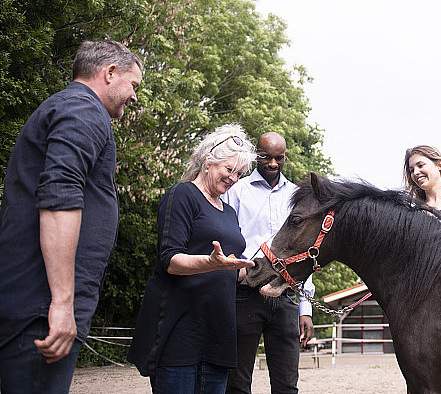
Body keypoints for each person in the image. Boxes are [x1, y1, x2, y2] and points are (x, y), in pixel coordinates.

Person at [0, 40, 143, 394]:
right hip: (41, 310)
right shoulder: (84, 110)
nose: (135, 97)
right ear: (109, 73)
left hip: (36, 303)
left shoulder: (69, 108)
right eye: (134, 85)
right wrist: (62, 304)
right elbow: (59, 197)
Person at [127, 125, 257, 394]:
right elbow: (171, 260)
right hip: (181, 331)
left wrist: (262, 271)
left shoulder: (230, 212)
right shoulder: (182, 195)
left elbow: (234, 266)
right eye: (229, 170)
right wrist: (212, 264)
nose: (234, 178)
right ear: (209, 160)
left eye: (239, 174)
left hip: (218, 333)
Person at [223, 132, 315, 394]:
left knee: (287, 384)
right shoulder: (237, 191)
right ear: (255, 155)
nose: (272, 164)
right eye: (265, 157)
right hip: (245, 294)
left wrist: (305, 307)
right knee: (237, 383)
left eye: (279, 158)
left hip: (285, 296)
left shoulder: (297, 196)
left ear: (285, 157)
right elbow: (227, 242)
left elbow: (304, 253)